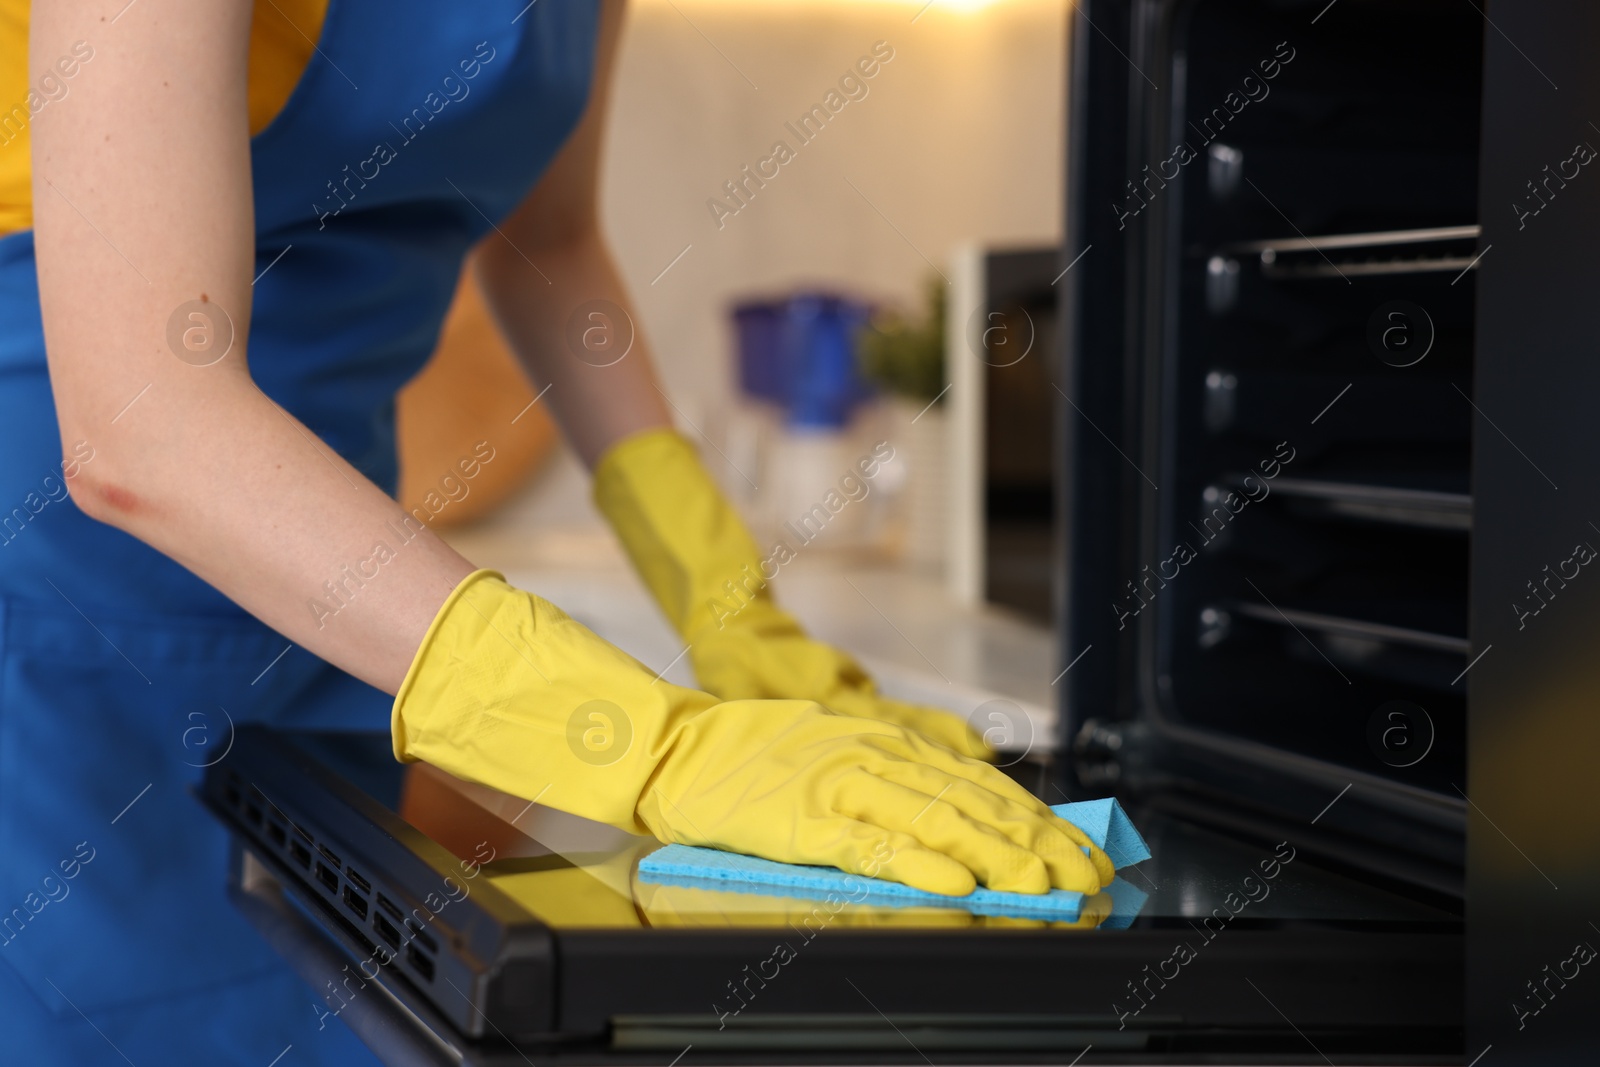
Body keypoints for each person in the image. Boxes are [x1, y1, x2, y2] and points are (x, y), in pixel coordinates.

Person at [0, 1, 1112, 1061]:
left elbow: (553, 244)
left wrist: (731, 613)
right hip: (61, 600)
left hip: (347, 589)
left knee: (337, 996)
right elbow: (142, 431)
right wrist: (651, 741)